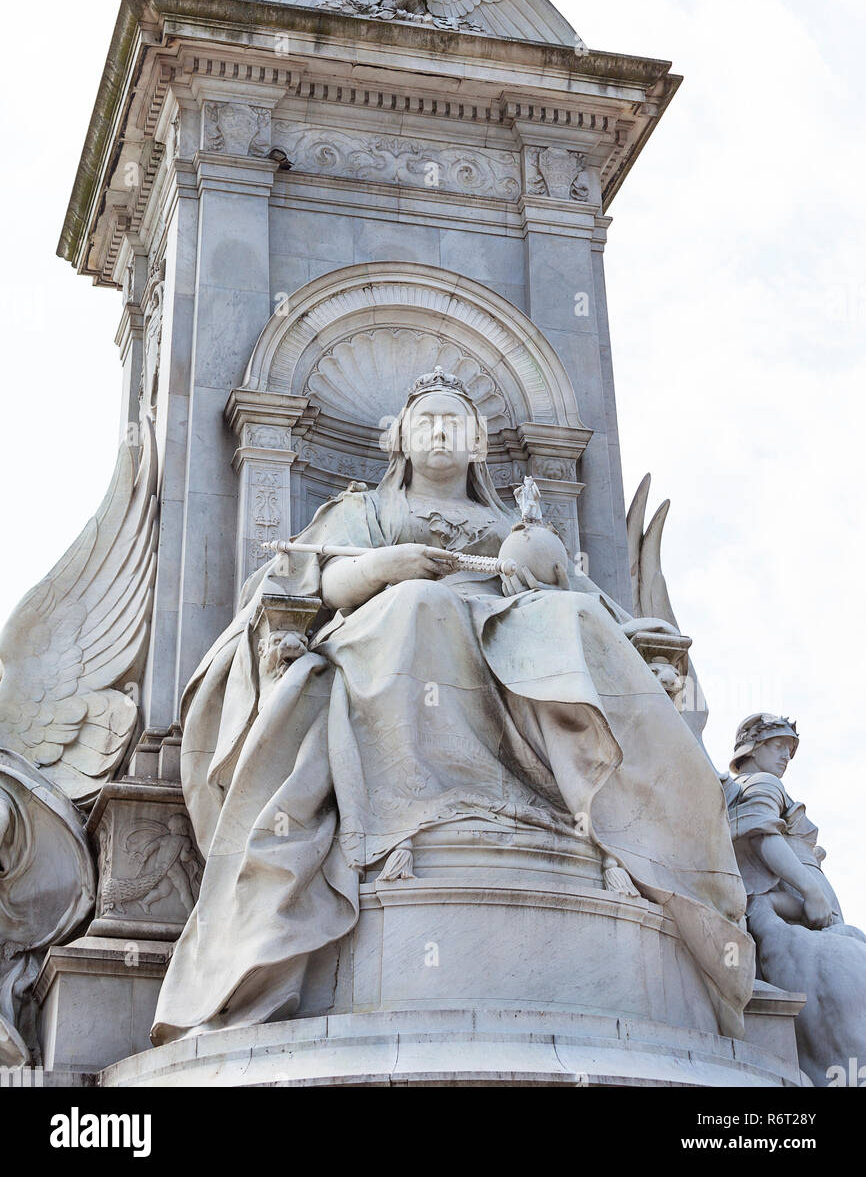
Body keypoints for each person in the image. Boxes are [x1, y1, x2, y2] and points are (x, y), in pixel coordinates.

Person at [151, 369, 752, 1044]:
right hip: (390, 624)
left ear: (478, 447)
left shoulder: (513, 522)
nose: (441, 431)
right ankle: (420, 817)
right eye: (428, 421)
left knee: (572, 628)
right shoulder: (366, 512)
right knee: (424, 605)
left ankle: (587, 822)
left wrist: (625, 629)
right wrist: (386, 567)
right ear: (401, 440)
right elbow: (322, 582)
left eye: (455, 423)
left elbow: (584, 595)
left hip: (514, 632)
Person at [726, 714, 866, 1086]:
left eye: (790, 750)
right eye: (778, 746)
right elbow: (763, 837)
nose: (786, 756)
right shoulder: (761, 782)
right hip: (787, 916)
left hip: (800, 919)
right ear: (751, 749)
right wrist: (811, 890)